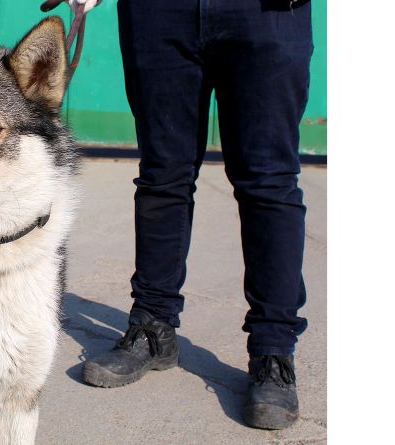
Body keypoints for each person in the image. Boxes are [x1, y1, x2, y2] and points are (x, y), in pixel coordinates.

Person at [65, 0, 313, 430]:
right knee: (163, 176)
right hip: (158, 12)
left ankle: (273, 352)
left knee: (268, 182)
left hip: (264, 11)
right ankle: (153, 328)